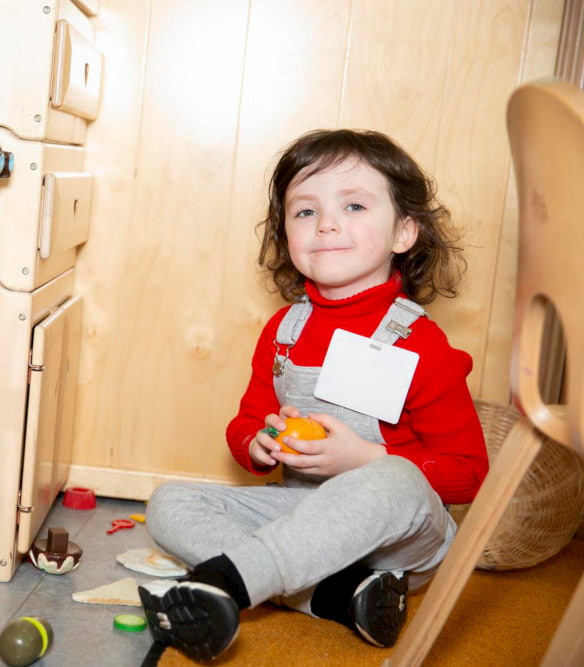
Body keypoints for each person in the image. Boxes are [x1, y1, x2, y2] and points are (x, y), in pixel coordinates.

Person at [138, 129, 489, 662]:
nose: (326, 223)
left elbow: (470, 471)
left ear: (404, 232)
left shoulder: (421, 343)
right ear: (284, 232)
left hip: (398, 542)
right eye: (305, 211)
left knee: (394, 477)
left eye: (353, 205)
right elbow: (245, 424)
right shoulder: (284, 330)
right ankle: (334, 596)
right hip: (301, 515)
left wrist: (367, 459)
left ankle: (224, 583)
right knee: (168, 503)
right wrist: (258, 443)